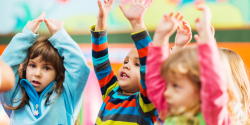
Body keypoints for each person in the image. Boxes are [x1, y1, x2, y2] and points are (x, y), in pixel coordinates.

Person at [146, 5, 235, 124]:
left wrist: (207, 38)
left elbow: (214, 85)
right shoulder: (170, 111)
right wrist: (160, 38)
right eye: (168, 85)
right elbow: (155, 83)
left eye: (176, 86)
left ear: (200, 88)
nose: (166, 92)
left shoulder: (211, 117)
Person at [0, 12, 90, 124]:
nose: (37, 73)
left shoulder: (66, 97)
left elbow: (79, 66)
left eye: (47, 68)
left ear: (58, 73)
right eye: (32, 65)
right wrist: (26, 35)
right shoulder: (15, 96)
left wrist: (59, 34)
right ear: (25, 67)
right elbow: (4, 68)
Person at [91, 0, 158, 124]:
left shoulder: (145, 104)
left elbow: (150, 66)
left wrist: (137, 23)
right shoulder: (111, 91)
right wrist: (101, 21)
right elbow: (100, 61)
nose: (126, 66)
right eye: (125, 62)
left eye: (137, 64)